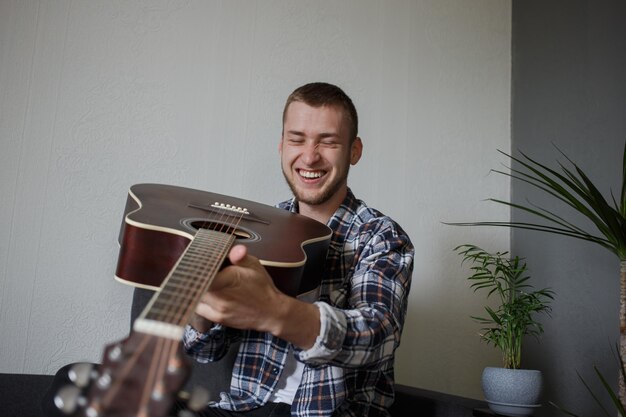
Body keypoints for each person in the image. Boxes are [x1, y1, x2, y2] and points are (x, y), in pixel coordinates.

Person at [183, 82, 414, 417]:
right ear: (281, 146)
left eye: (328, 141)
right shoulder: (257, 228)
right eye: (297, 139)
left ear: (354, 151)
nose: (309, 156)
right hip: (243, 408)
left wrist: (274, 311)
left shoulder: (382, 237)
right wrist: (203, 299)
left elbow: (377, 337)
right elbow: (204, 349)